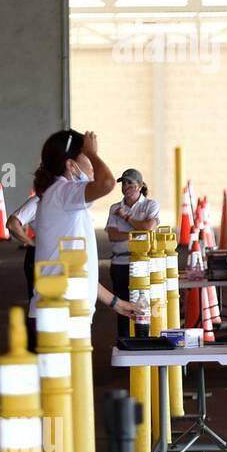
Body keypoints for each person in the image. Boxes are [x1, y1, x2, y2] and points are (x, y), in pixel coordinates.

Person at [30, 129, 138, 329]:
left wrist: (117, 303)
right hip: (61, 313)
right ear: (71, 165)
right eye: (86, 158)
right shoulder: (62, 192)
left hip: (66, 312)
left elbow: (80, 269)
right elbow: (106, 183)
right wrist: (93, 153)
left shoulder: (64, 198)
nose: (92, 167)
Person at [106, 168, 160, 336]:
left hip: (142, 264)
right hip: (120, 263)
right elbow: (113, 236)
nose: (126, 186)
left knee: (144, 306)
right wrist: (137, 233)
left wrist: (126, 218)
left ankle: (144, 340)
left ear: (140, 185)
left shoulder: (150, 205)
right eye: (124, 183)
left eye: (131, 182)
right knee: (122, 306)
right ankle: (124, 342)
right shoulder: (115, 207)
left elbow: (148, 228)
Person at [7, 193, 38, 300]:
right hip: (38, 256)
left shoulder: (62, 200)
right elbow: (12, 224)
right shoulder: (38, 201)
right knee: (38, 304)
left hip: (57, 256)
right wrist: (32, 243)